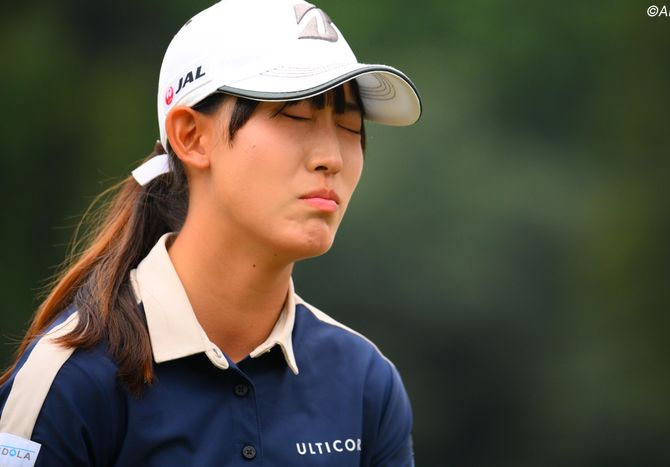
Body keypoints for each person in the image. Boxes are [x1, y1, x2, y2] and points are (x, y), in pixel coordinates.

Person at [0, 0, 421, 465]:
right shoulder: (69, 381)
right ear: (190, 136)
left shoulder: (366, 383)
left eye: (349, 125)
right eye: (296, 116)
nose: (333, 158)